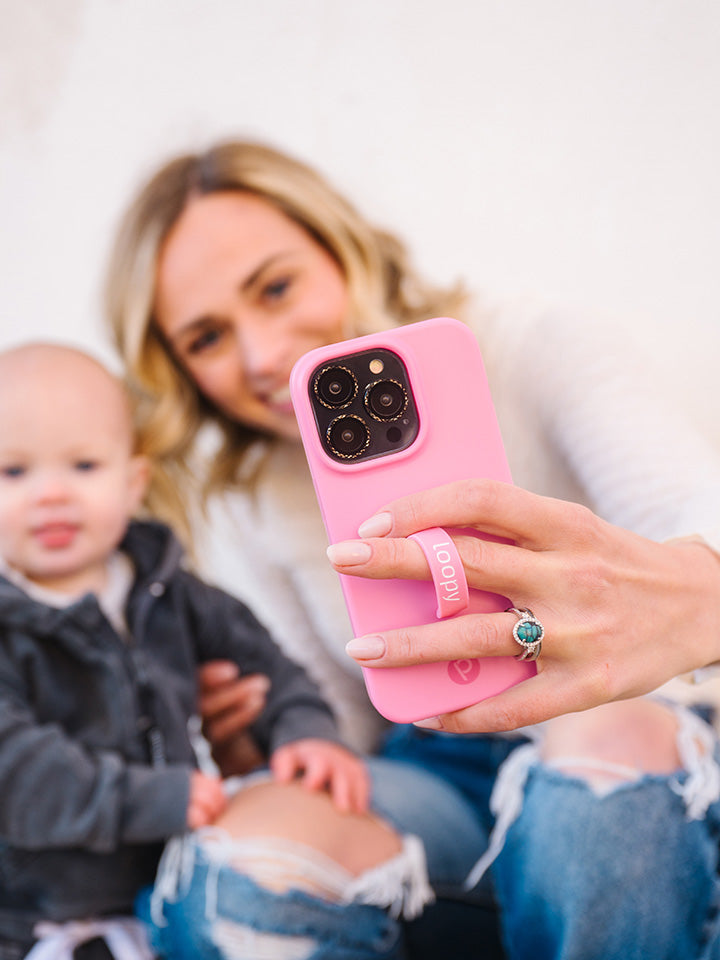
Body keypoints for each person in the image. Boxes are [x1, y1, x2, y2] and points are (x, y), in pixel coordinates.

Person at [104, 139, 720, 959]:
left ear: (343, 246)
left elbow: (696, 515)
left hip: (628, 708)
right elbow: (350, 728)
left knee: (598, 784)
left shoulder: (527, 344)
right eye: (207, 338)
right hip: (437, 764)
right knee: (235, 875)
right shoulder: (252, 492)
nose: (262, 355)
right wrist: (267, 730)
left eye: (277, 287)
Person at [0, 343, 431, 960]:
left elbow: (267, 666)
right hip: (41, 917)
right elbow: (18, 772)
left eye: (84, 466)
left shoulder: (168, 589)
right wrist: (150, 799)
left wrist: (304, 731)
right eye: (14, 472)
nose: (51, 495)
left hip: (164, 882)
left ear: (133, 482)